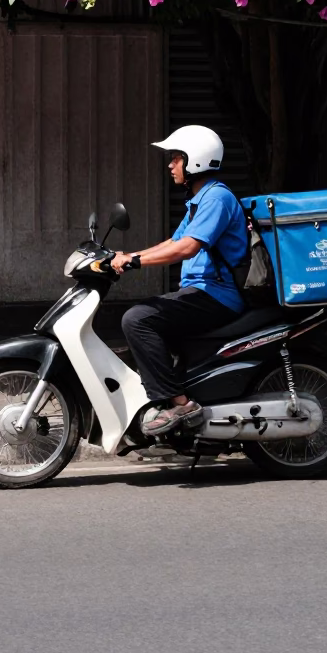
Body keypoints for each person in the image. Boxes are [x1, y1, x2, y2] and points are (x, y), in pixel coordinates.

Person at [112, 125, 248, 436]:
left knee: (137, 320)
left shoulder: (217, 198)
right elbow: (171, 242)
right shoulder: (200, 200)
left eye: (176, 158)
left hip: (217, 296)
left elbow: (187, 248)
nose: (171, 165)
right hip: (201, 293)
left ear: (196, 160)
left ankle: (181, 405)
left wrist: (134, 261)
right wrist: (123, 256)